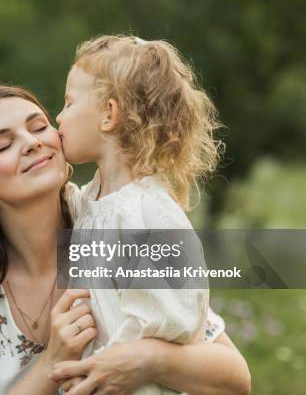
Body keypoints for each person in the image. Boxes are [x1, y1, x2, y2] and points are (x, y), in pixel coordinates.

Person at [0, 85, 250, 394]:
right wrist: (51, 363)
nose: (32, 142)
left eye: (39, 127)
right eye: (4, 145)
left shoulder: (116, 228)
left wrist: (147, 359)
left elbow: (234, 378)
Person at [55, 34, 224, 394]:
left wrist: (95, 370)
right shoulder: (100, 197)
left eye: (68, 103)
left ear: (108, 115)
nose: (58, 117)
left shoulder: (147, 215)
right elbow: (70, 205)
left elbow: (165, 326)